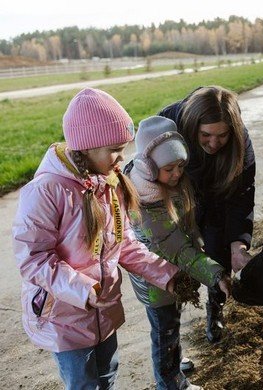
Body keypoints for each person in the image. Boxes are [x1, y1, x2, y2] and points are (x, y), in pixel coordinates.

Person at [12, 88, 180, 390]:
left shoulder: (109, 183)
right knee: (85, 384)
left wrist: (167, 275)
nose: (121, 157)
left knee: (107, 375)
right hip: (66, 315)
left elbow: (124, 243)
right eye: (114, 149)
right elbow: (33, 259)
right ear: (87, 147)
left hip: (103, 309)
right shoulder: (47, 191)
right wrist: (82, 289)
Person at [124, 115, 232, 390]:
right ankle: (171, 383)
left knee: (170, 327)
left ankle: (174, 363)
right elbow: (180, 250)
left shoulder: (171, 187)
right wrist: (215, 272)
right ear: (148, 168)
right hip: (158, 284)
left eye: (181, 166)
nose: (177, 173)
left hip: (172, 277)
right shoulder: (147, 208)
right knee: (164, 332)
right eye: (169, 168)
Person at [158, 86, 255, 343]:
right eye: (206, 135)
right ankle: (172, 331)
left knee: (219, 251)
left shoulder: (240, 141)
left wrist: (239, 242)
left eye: (222, 136)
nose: (214, 143)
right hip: (177, 201)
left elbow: (242, 193)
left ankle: (215, 309)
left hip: (217, 200)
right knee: (177, 263)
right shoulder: (169, 125)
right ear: (192, 127)